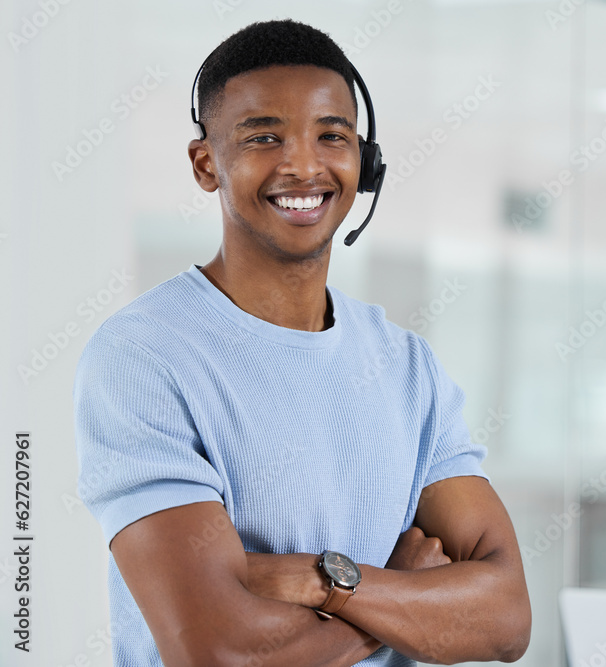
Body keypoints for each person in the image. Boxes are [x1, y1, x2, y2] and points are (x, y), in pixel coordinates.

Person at [73, 19, 530, 667]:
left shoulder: (405, 367)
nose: (304, 165)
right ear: (207, 164)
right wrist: (394, 587)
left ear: (365, 163)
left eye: (331, 137)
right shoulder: (143, 359)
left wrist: (319, 579)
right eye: (264, 136)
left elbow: (506, 618)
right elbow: (220, 652)